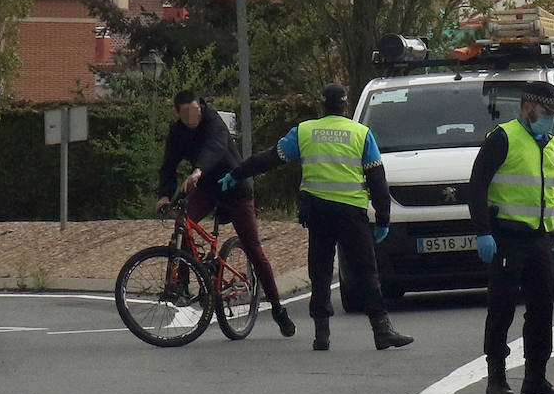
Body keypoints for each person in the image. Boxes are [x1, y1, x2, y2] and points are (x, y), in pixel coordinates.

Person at [223, 83, 413, 351]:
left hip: (318, 211)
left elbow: (269, 159)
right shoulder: (361, 133)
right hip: (351, 212)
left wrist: (237, 173)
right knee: (366, 271)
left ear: (321, 105)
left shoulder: (304, 131)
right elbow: (377, 178)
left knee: (320, 272)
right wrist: (383, 218)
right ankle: (381, 330)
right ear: (345, 105)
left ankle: (321, 334)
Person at [466, 81, 554, 394]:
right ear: (527, 107)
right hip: (506, 237)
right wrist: (483, 231)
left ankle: (536, 379)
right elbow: (476, 186)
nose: (550, 120)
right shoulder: (503, 138)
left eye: (553, 115)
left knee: (542, 309)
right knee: (502, 307)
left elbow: (553, 191)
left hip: (538, 239)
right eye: (546, 113)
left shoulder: (549, 142)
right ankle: (496, 377)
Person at [155, 90, 296, 338]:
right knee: (182, 224)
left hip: (234, 187)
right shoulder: (177, 132)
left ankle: (277, 308)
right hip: (207, 190)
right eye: (187, 114)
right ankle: (182, 286)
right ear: (178, 113)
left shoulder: (214, 122)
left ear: (201, 107)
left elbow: (215, 148)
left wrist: (198, 170)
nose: (193, 117)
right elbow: (168, 165)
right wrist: (164, 195)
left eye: (196, 111)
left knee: (254, 250)